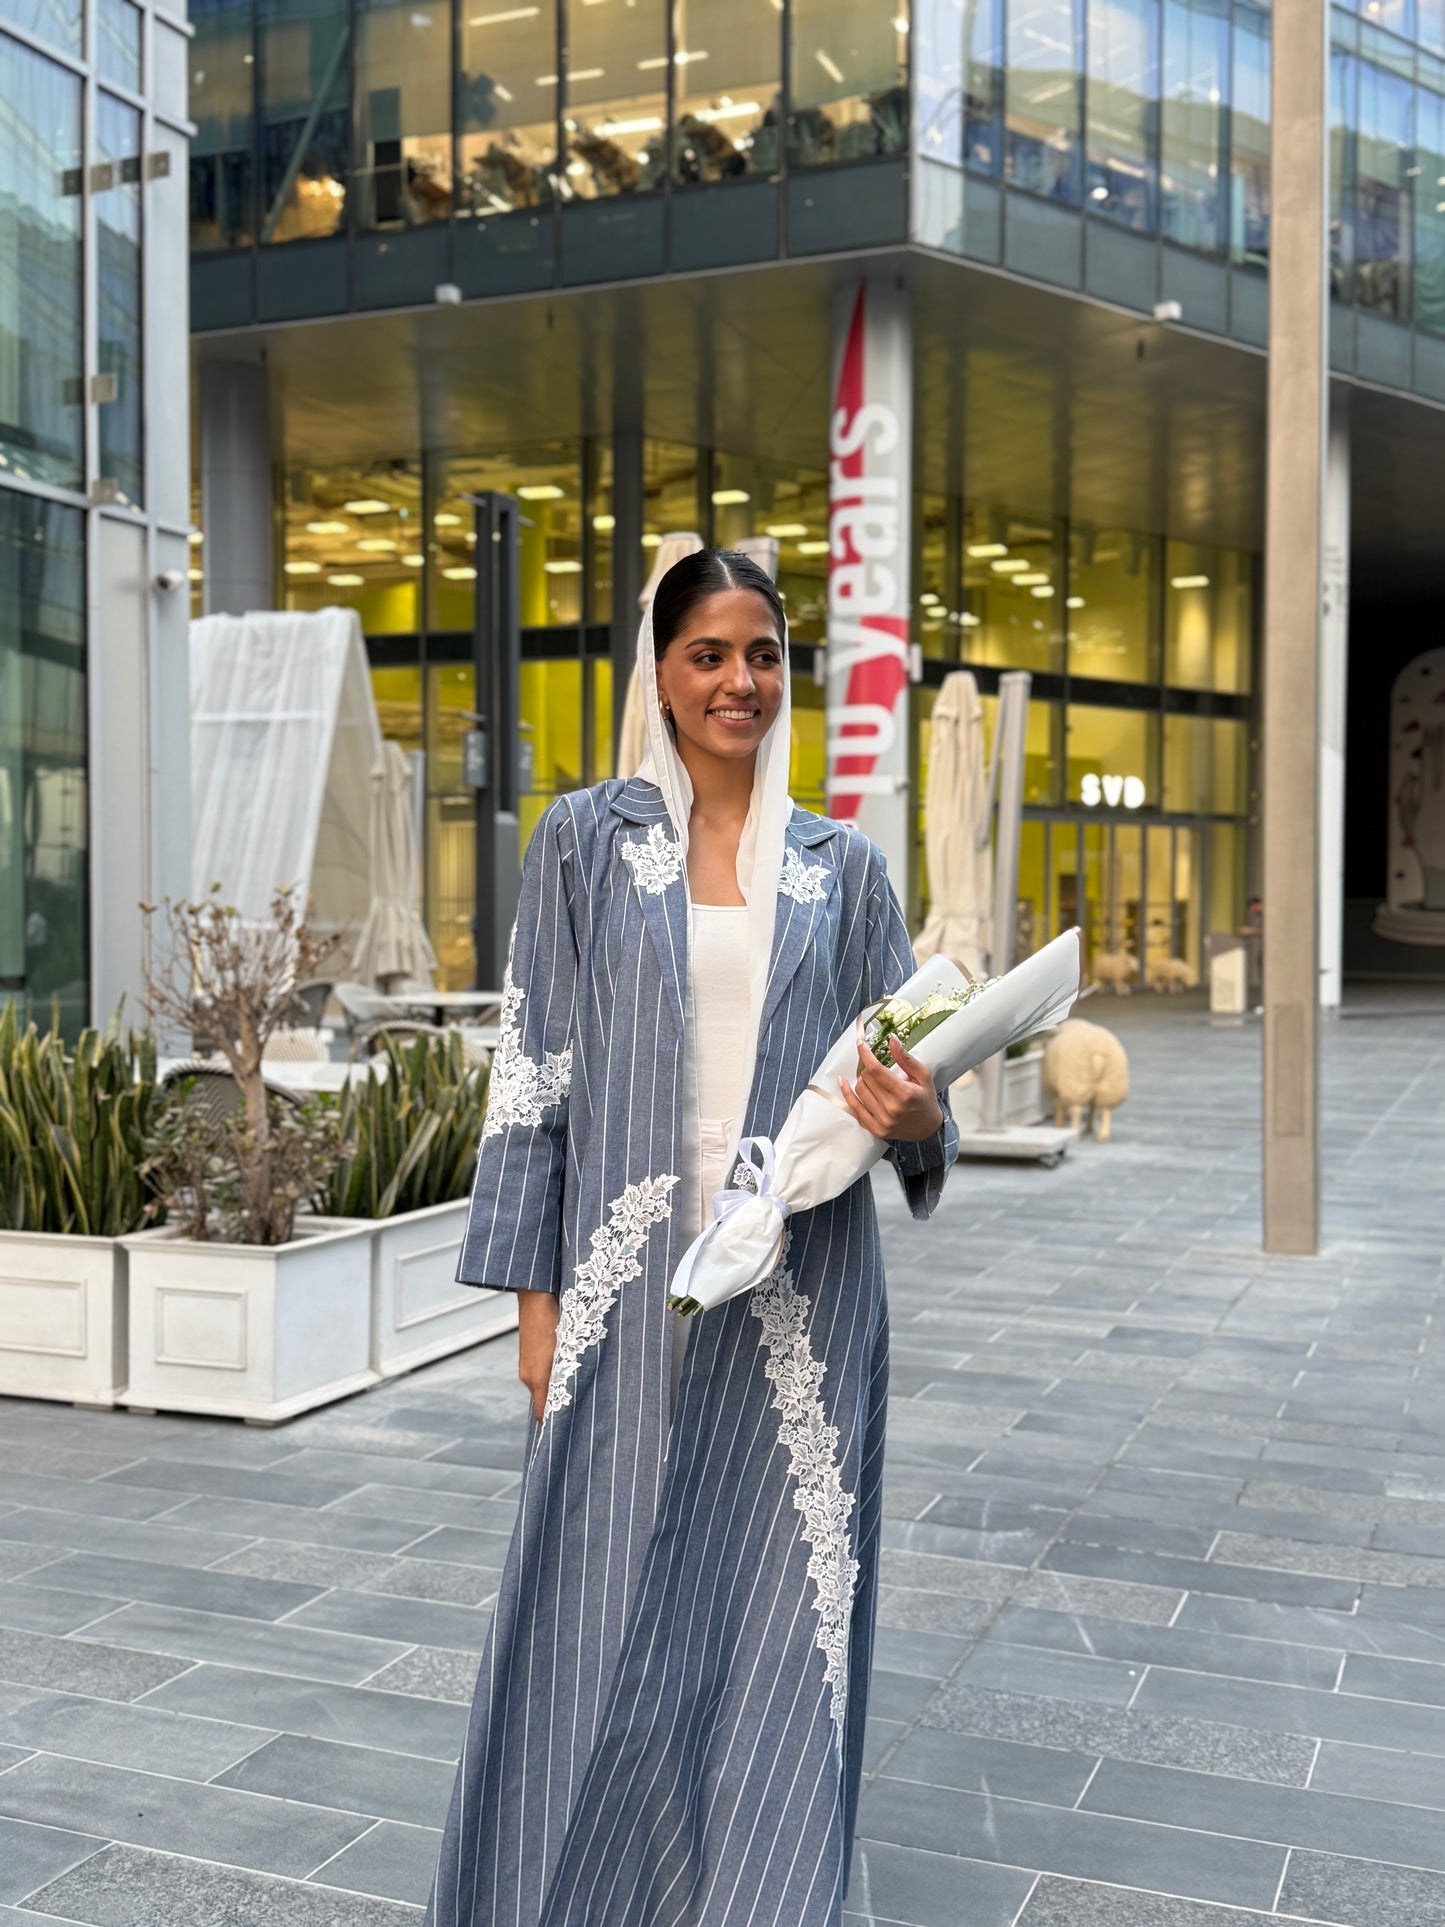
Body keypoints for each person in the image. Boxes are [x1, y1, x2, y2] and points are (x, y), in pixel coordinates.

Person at [426, 549, 957, 1927]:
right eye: (709, 653)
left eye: (765, 654)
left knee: (780, 1626)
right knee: (589, 1616)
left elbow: (914, 1078)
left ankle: (763, 1899)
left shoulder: (844, 872)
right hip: (621, 1300)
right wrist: (537, 1321)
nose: (740, 681)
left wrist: (914, 1112)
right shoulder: (583, 843)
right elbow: (531, 1080)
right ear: (658, 674)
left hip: (805, 1314)